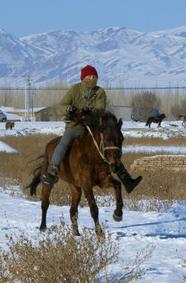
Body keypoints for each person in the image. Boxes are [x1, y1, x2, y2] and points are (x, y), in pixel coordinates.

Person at [42, 65, 142, 193]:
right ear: (83, 78)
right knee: (63, 144)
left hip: (93, 128)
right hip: (75, 126)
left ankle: (126, 179)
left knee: (109, 147)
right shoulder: (75, 89)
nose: (92, 78)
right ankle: (53, 171)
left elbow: (100, 109)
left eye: (94, 76)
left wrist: (90, 111)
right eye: (89, 76)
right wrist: (70, 109)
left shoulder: (100, 92)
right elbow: (61, 106)